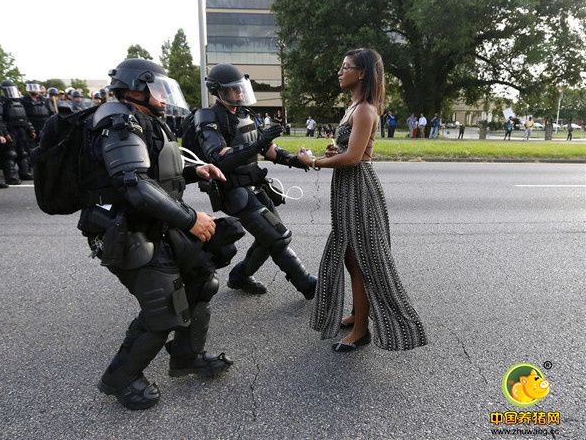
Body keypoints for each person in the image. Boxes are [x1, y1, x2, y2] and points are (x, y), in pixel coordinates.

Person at [70, 58, 238, 410]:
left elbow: (157, 172)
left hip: (156, 225)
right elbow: (135, 185)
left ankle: (186, 355)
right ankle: (120, 378)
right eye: (156, 88)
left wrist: (196, 171)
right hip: (127, 231)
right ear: (135, 88)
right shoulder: (118, 122)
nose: (163, 96)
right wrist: (191, 219)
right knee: (164, 309)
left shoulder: (141, 119)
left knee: (201, 282)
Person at [296, 48, 427, 352]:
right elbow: (348, 150)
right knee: (349, 256)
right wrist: (333, 152)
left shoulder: (366, 109)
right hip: (347, 188)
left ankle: (361, 330)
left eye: (346, 67)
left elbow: (355, 157)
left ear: (362, 72)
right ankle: (358, 314)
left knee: (362, 260)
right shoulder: (353, 107)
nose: (340, 72)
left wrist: (313, 161)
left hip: (359, 189)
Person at [189, 63, 317, 299]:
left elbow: (269, 149)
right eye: (233, 89)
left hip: (256, 186)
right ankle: (307, 285)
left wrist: (296, 161)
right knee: (278, 237)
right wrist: (258, 144)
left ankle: (240, 276)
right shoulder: (208, 117)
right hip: (233, 190)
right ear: (218, 91)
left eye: (240, 88)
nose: (239, 93)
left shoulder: (246, 115)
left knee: (268, 237)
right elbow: (219, 158)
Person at [0, 80, 35, 181]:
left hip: (21, 129)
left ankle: (25, 173)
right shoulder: (0, 101)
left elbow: (25, 117)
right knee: (10, 154)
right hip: (10, 129)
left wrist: (31, 129)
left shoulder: (19, 101)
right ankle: (11, 177)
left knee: (23, 152)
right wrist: (5, 133)